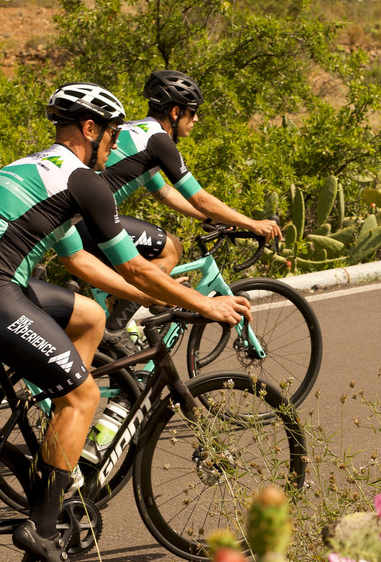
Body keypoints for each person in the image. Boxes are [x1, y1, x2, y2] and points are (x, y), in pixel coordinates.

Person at [0, 82, 251, 562]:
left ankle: (57, 425)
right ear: (90, 129)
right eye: (111, 133)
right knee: (83, 398)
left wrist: (149, 299)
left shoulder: (37, 169)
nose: (115, 142)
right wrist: (204, 304)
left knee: (89, 316)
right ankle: (41, 528)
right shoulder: (85, 181)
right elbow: (137, 269)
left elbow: (78, 258)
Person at [80, 70, 282, 351]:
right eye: (193, 112)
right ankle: (116, 328)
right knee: (171, 248)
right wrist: (252, 223)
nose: (196, 119)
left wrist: (211, 220)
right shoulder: (158, 140)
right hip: (87, 222)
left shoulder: (137, 132)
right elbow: (199, 198)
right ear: (175, 112)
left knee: (160, 254)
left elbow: (164, 193)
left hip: (78, 222)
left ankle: (122, 315)